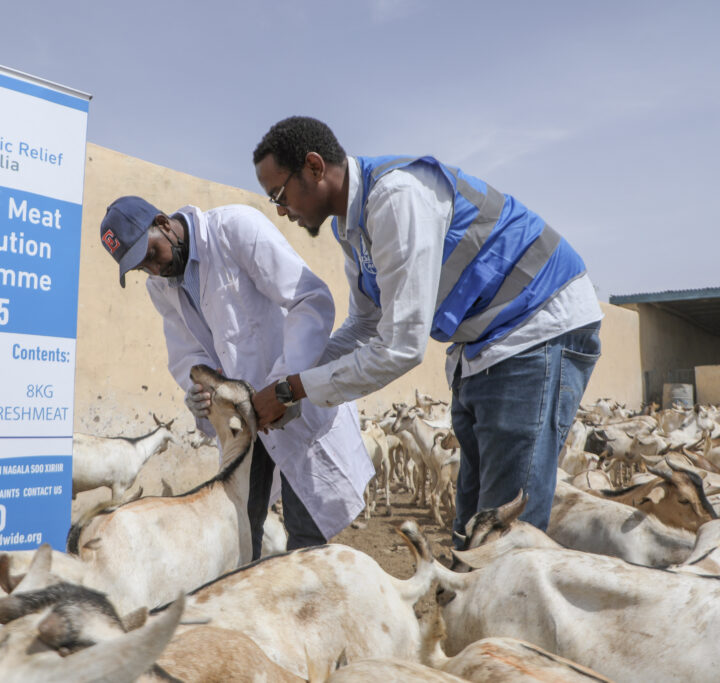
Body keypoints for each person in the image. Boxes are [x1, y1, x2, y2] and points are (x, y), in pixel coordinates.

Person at [250, 116, 602, 547]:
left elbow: (400, 347)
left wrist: (291, 390)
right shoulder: (353, 231)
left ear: (315, 167)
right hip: (484, 348)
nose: (283, 211)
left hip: (537, 325)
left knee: (502, 534)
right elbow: (365, 325)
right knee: (469, 527)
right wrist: (286, 381)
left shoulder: (396, 199)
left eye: (279, 195)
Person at [99, 195, 374, 558]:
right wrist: (200, 390)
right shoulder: (161, 288)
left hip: (294, 402)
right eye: (140, 268)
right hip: (244, 421)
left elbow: (309, 300)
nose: (153, 270)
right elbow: (187, 354)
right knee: (239, 528)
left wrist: (283, 388)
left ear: (164, 224)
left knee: (304, 538)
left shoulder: (235, 230)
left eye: (151, 254)